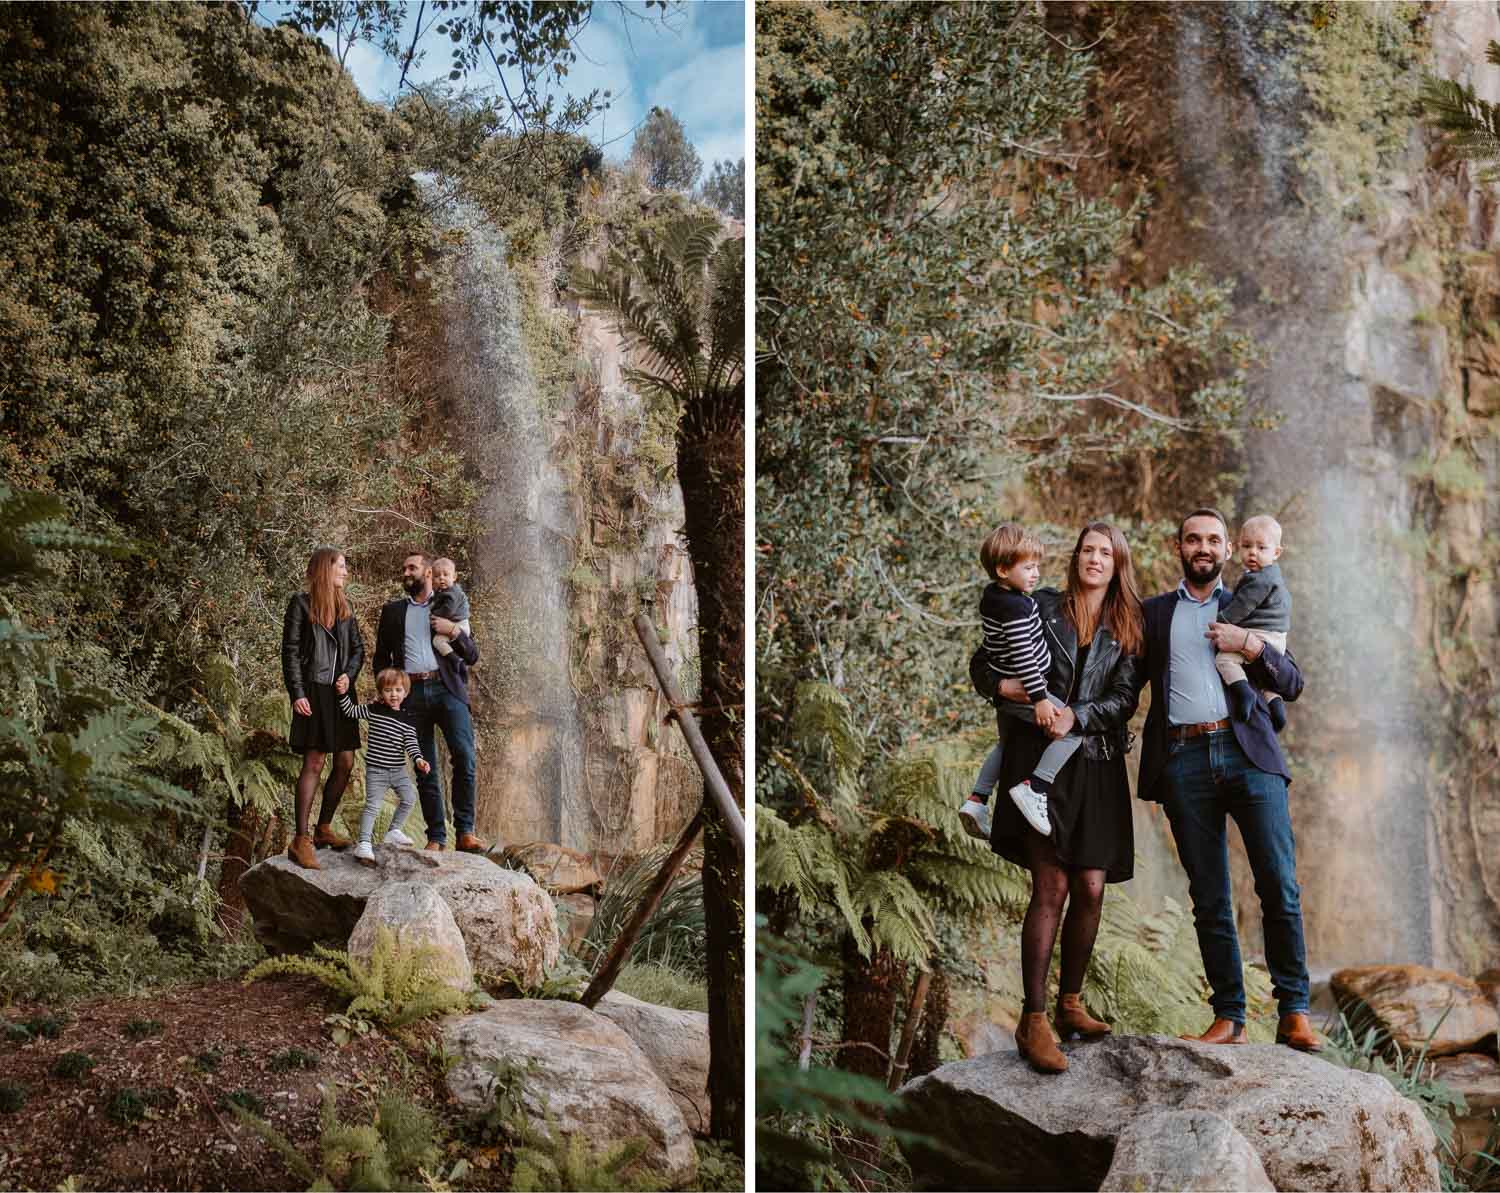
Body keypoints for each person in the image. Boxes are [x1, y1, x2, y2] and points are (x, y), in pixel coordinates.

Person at [1137, 508, 1318, 1051]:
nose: (1204, 547)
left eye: (1214, 539)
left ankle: (1295, 1012)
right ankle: (1230, 1016)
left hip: (1249, 754)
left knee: (1279, 885)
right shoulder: (1154, 614)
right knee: (1209, 897)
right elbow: (1119, 680)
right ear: (1179, 547)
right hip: (1184, 760)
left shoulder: (1252, 601)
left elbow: (1293, 682)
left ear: (1227, 550)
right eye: (1193, 538)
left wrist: (1252, 644)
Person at [985, 522, 1144, 1074]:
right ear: (1075, 558)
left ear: (1118, 563)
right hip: (1039, 762)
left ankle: (1070, 1003)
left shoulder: (1129, 625)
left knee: (1092, 887)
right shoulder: (1039, 605)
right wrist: (1007, 687)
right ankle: (1033, 1019)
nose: (1093, 559)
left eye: (1105, 552)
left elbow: (1124, 698)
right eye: (1086, 550)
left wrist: (1080, 714)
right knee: (1049, 884)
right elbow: (986, 662)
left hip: (1095, 763)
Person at [958, 524, 1081, 841]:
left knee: (1006, 743)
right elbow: (1024, 655)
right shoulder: (1016, 607)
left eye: (1037, 566)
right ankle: (1036, 787)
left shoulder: (996, 598)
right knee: (1073, 730)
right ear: (1002, 569)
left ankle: (977, 799)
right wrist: (1040, 698)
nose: (1036, 574)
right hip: (1027, 691)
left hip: (1015, 690)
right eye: (1028, 567)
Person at [372, 550, 486, 853]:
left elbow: (471, 655)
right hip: (411, 695)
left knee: (464, 756)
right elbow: (382, 657)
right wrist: (386, 690)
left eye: (412, 567)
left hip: (447, 688)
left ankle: (465, 832)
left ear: (429, 574)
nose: (406, 572)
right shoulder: (393, 611)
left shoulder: (448, 603)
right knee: (425, 768)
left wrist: (453, 632)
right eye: (404, 568)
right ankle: (436, 836)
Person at [281, 547, 365, 870]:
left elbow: (357, 649)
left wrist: (348, 674)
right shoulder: (300, 604)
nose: (345, 572)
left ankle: (323, 828)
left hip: (341, 693)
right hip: (312, 691)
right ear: (324, 570)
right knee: (314, 761)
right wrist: (297, 692)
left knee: (345, 761)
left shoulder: (346, 608)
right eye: (341, 566)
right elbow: (289, 651)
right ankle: (300, 839)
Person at [335, 668, 431, 866]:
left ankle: (393, 831)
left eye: (398, 690)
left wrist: (419, 760)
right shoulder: (374, 710)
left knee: (409, 797)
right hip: (376, 771)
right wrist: (343, 694)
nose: (393, 695)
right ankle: (364, 843)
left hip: (398, 771)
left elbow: (411, 744)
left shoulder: (408, 719)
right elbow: (350, 711)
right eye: (388, 690)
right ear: (381, 692)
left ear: (405, 692)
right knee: (373, 806)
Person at [1213, 515, 1292, 731]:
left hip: (1261, 635)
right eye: (1247, 546)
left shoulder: (1260, 580)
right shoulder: (1273, 578)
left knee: (1225, 661)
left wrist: (1221, 621)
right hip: (1276, 639)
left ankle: (1244, 692)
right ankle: (1275, 705)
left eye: (1261, 548)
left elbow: (1241, 608)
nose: (1252, 553)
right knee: (1264, 678)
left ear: (1276, 553)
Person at [429, 557, 471, 659]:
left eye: (445, 574)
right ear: (432, 579)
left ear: (454, 577)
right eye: (437, 576)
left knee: (438, 641)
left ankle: (455, 660)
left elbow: (448, 611)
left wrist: (433, 614)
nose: (441, 578)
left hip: (459, 625)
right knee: (439, 641)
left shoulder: (453, 593)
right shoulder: (443, 592)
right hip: (455, 623)